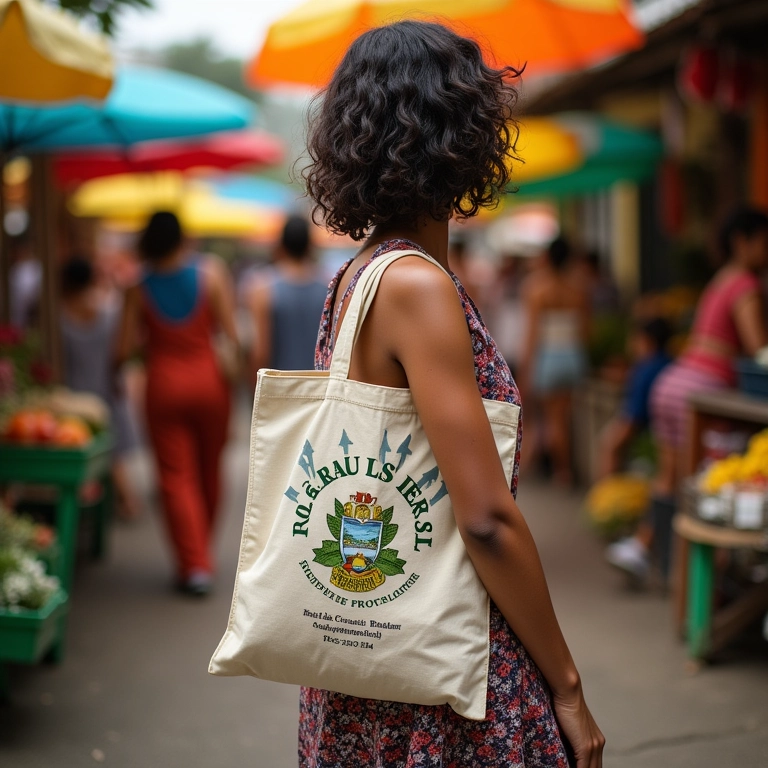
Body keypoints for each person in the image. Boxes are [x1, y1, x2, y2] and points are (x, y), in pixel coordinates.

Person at [299, 20, 603, 768]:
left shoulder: (362, 275)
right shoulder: (414, 286)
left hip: (374, 648)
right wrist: (566, 685)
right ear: (460, 133)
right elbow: (487, 518)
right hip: (441, 664)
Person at [608, 206, 768, 583]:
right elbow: (758, 348)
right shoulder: (745, 285)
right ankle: (695, 575)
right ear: (741, 242)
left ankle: (646, 550)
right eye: (764, 242)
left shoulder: (720, 280)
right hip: (701, 389)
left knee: (670, 478)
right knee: (701, 483)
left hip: (674, 382)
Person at [116, 212, 238, 596]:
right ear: (182, 238)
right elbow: (232, 337)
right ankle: (205, 550)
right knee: (210, 469)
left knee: (174, 476)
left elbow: (122, 349)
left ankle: (194, 564)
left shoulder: (137, 286)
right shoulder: (211, 274)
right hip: (210, 384)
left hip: (164, 386)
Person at [60, 255, 141, 520]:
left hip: (75, 393)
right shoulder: (108, 312)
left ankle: (93, 507)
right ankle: (124, 502)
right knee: (113, 453)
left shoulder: (60, 316)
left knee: (82, 453)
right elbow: (123, 350)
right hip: (106, 388)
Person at [521, 237, 590, 486]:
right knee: (565, 416)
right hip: (573, 354)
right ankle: (562, 466)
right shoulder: (579, 287)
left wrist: (527, 371)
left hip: (548, 356)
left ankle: (563, 472)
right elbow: (585, 330)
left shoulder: (537, 288)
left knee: (553, 419)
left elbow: (531, 336)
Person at [247, 214, 327, 376]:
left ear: (281, 246)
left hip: (280, 388)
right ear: (309, 246)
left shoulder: (262, 288)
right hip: (319, 387)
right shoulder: (328, 287)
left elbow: (260, 351)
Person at [598, 317, 673, 479]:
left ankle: (605, 495)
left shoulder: (645, 369)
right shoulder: (670, 363)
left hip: (648, 431)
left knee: (609, 445)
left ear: (646, 340)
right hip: (664, 432)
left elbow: (632, 417)